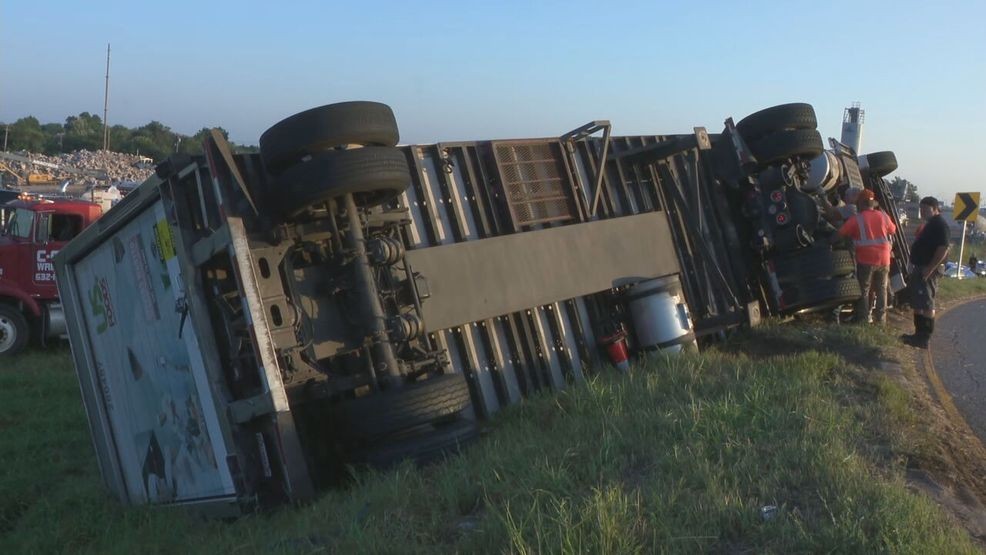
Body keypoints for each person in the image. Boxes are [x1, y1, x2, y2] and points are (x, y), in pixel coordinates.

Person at [835, 189, 896, 323]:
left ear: (861, 203)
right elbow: (893, 229)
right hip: (884, 259)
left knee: (864, 290)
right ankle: (881, 320)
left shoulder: (856, 219)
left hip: (866, 260)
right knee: (882, 290)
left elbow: (839, 234)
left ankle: (862, 319)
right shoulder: (883, 216)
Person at [901, 196, 950, 348]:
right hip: (921, 267)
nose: (922, 212)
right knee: (919, 302)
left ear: (935, 209)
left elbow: (943, 248)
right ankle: (918, 334)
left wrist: (930, 268)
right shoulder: (930, 224)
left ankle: (924, 337)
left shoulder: (940, 225)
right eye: (921, 209)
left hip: (927, 268)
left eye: (925, 209)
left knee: (927, 303)